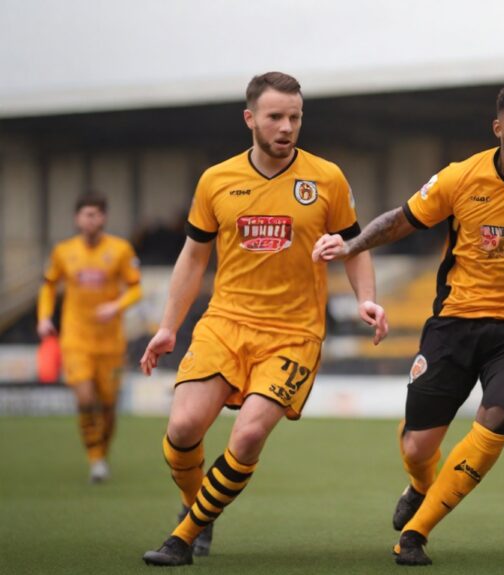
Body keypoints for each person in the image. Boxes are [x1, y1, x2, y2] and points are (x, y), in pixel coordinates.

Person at [312, 79, 504, 566]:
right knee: (419, 447)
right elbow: (402, 219)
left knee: (495, 419)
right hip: (456, 323)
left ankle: (416, 533)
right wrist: (351, 246)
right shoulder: (461, 177)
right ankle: (420, 484)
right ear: (498, 127)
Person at [138, 71, 388, 566]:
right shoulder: (216, 179)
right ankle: (197, 509)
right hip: (225, 322)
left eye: (294, 117)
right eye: (275, 116)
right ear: (251, 119)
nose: (286, 126)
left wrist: (365, 297)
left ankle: (183, 537)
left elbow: (354, 246)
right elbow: (193, 257)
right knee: (185, 427)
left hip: (293, 333)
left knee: (248, 435)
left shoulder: (327, 178)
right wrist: (168, 326)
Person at [37, 193, 142, 484]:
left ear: (104, 217)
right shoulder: (63, 252)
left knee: (108, 405)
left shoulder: (120, 250)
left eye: (96, 214)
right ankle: (95, 458)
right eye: (85, 214)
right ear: (76, 218)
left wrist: (116, 306)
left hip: (111, 343)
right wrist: (44, 317)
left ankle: (102, 454)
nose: (90, 219)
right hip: (76, 340)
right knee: (85, 399)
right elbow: (48, 287)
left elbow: (136, 289)